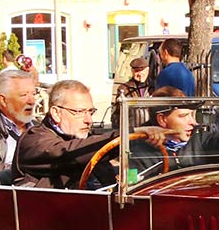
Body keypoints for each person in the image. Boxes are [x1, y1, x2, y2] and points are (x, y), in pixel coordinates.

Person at [13, 79, 164, 189]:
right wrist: (132, 133)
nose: (89, 120)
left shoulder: (81, 135)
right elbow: (69, 153)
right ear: (56, 113)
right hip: (51, 222)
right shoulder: (34, 140)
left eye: (90, 112)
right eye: (80, 112)